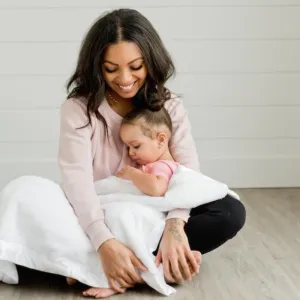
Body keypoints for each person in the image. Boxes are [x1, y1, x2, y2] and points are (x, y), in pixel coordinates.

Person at [58, 8, 246, 299]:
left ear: (151, 59)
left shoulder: (168, 106)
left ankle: (122, 269)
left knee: (230, 211)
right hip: (103, 212)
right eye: (111, 69)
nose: (124, 78)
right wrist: (104, 241)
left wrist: (175, 226)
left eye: (136, 66)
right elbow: (76, 181)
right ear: (96, 67)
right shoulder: (79, 109)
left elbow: (189, 176)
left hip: (157, 212)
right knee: (28, 197)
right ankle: (142, 265)